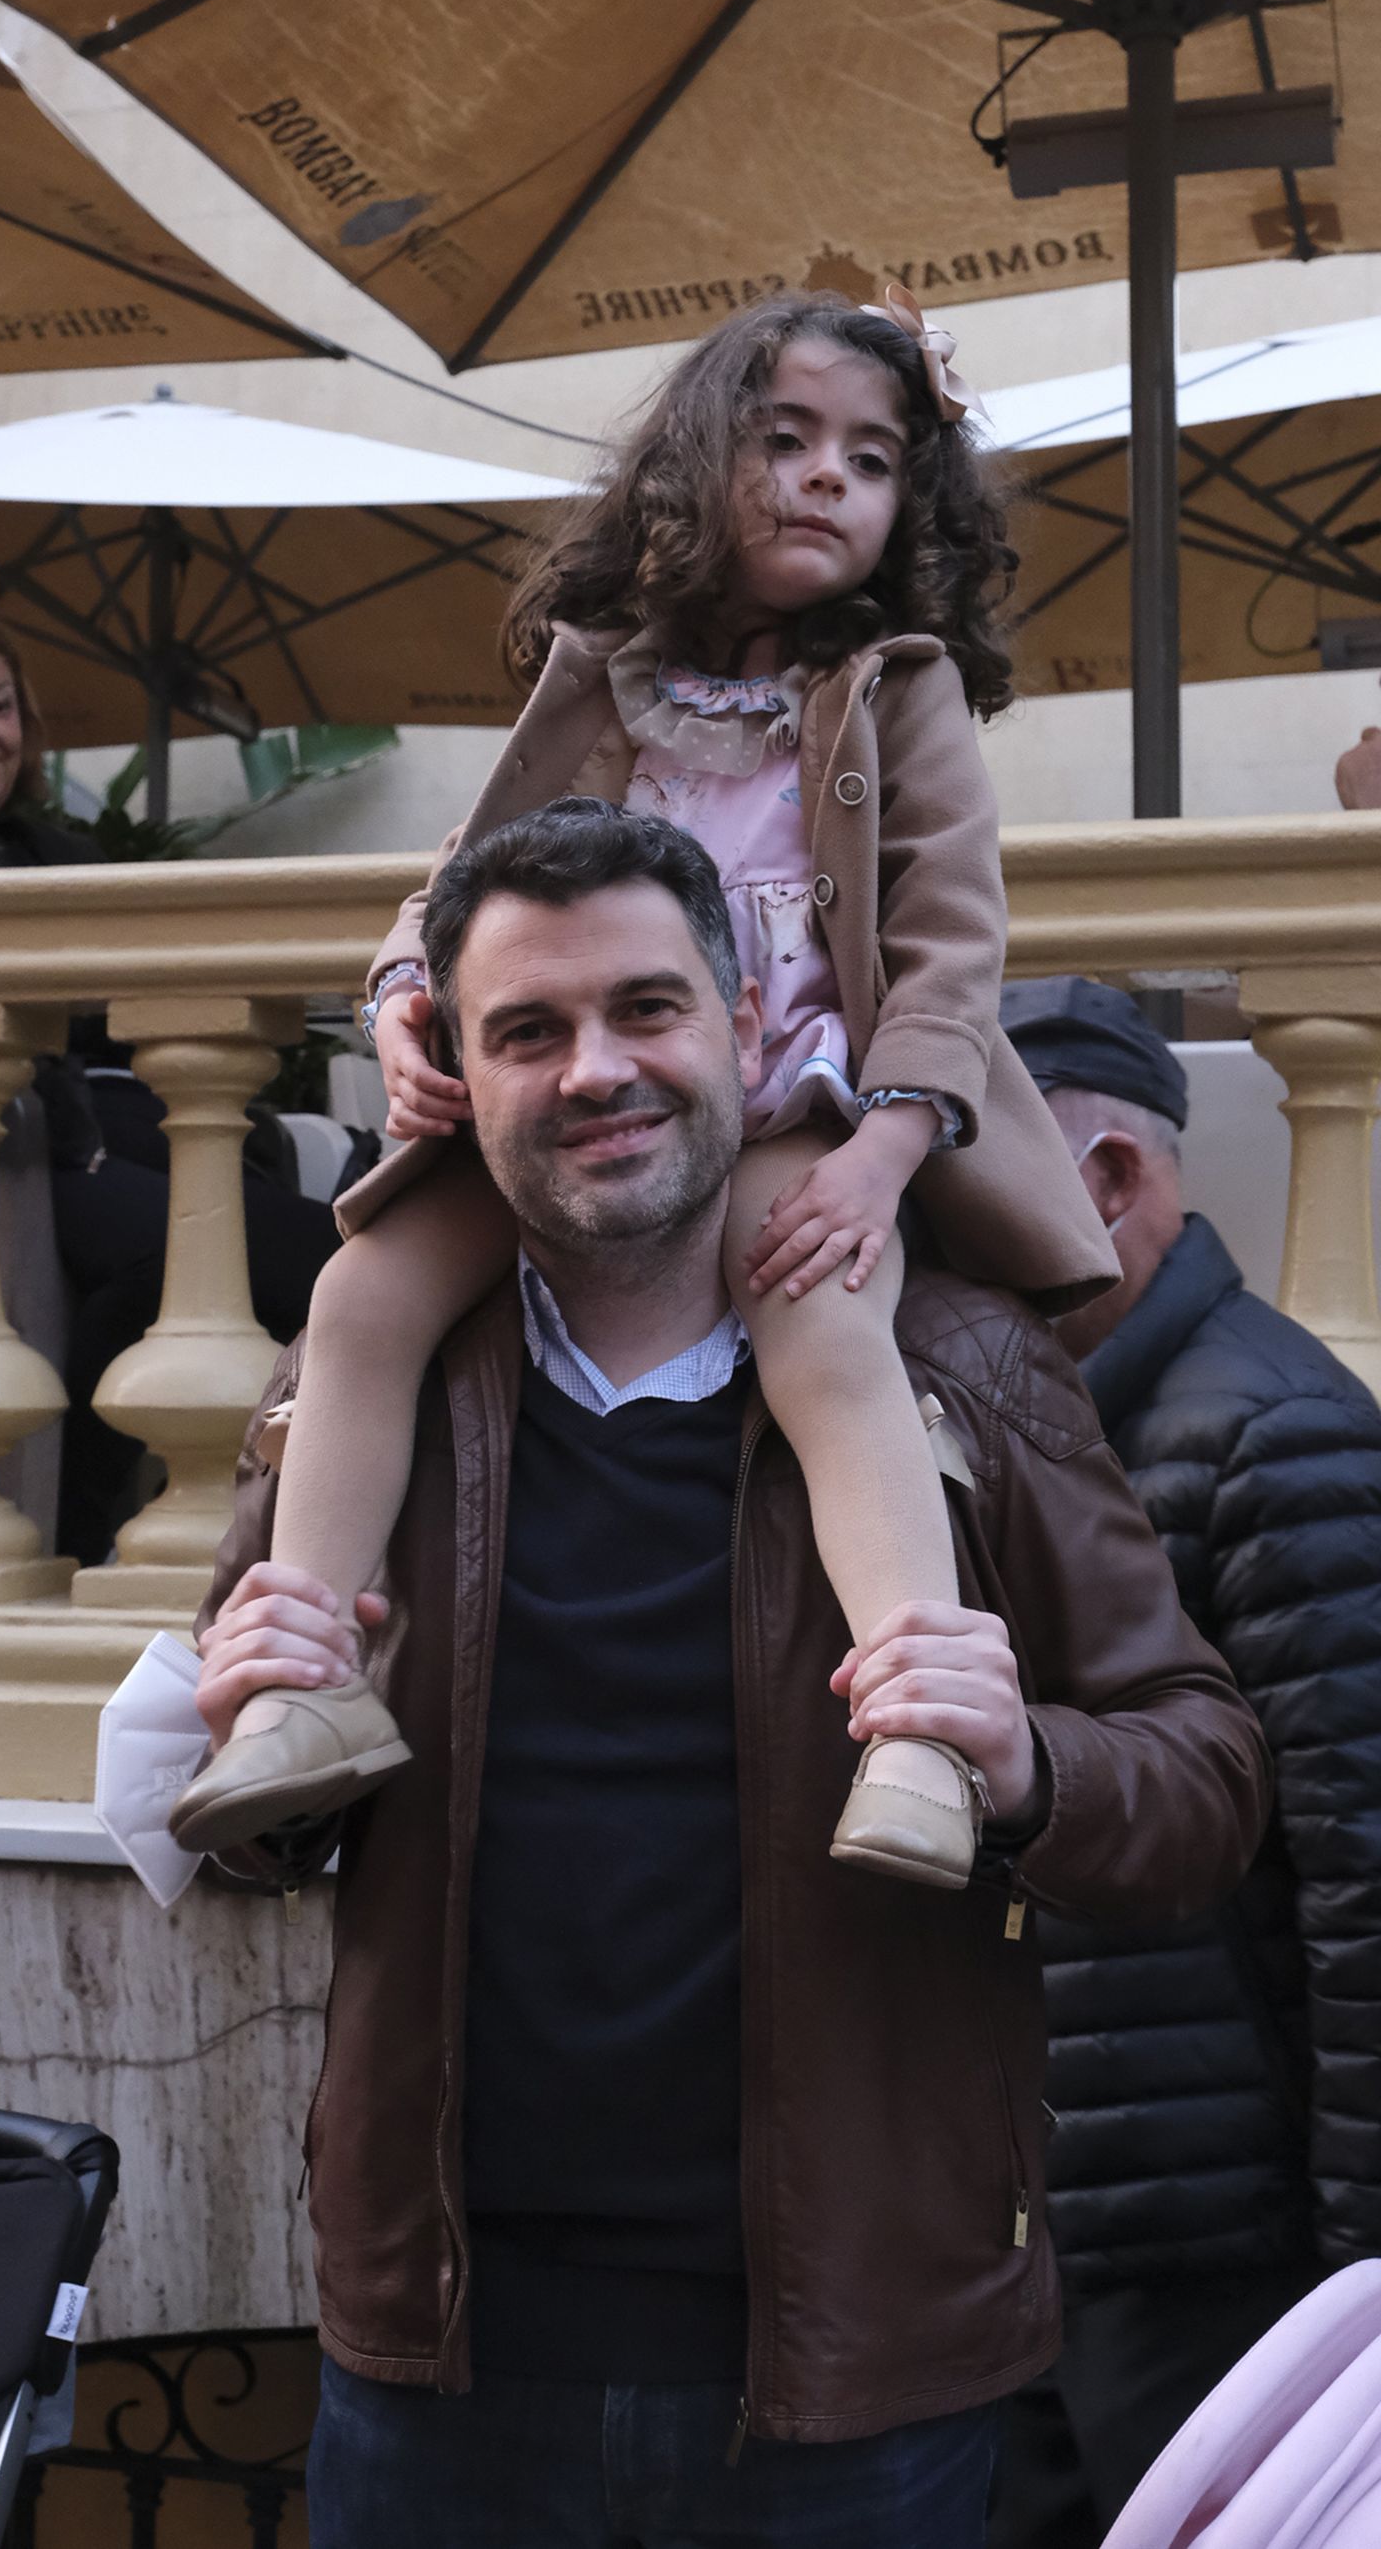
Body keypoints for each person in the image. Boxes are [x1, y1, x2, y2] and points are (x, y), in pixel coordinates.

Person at [190, 801, 1267, 2549]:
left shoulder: (965, 1363)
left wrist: (1025, 1768)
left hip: (851, 2388)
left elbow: (1206, 1775)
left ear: (753, 1028)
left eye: (646, 1009)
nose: (595, 1069)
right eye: (527, 1031)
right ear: (456, 1070)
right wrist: (252, 1690)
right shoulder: (370, 1394)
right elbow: (261, 1833)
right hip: (444, 2372)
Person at [175, 282, 1115, 1876]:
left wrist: (882, 1158)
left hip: (790, 1089)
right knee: (362, 1298)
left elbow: (951, 950)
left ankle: (917, 1732)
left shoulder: (899, 689)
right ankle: (303, 1680)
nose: (830, 477)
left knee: (820, 1318)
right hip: (577, 1084)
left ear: (911, 509)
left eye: (875, 459)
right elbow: (463, 879)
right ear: (695, 467)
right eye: (787, 438)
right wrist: (410, 995)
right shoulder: (599, 671)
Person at [987, 976, 1381, 2549]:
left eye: (971, 1181)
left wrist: (1356, 2272)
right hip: (1054, 2221)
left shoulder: (1273, 1433)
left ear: (1113, 1183)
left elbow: (1366, 1882)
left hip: (1219, 2252)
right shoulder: (1037, 1424)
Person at [0, 601, 339, 1562]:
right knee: (204, 1257)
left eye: (0, 706)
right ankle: (86, 1517)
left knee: (293, 1238)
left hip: (92, 1125)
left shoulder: (46, 847)